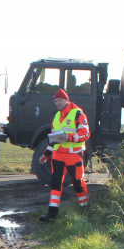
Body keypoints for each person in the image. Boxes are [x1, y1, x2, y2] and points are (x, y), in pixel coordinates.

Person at [38, 88, 90, 221]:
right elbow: (53, 138)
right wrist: (46, 154)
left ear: (67, 100)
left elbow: (85, 134)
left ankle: (85, 210)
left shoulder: (78, 114)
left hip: (74, 156)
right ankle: (52, 213)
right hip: (58, 156)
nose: (57, 103)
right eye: (55, 101)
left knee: (78, 183)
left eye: (60, 100)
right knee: (55, 184)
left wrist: (69, 137)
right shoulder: (56, 116)